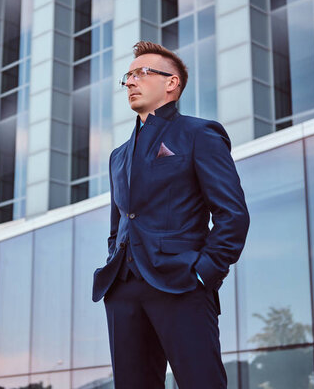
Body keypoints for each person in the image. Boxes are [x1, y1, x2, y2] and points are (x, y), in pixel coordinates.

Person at [92, 41, 250, 388]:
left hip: (182, 283)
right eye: (128, 76)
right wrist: (113, 264)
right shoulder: (118, 156)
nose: (130, 82)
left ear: (171, 83)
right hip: (123, 289)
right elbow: (118, 224)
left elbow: (232, 214)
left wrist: (203, 273)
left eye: (141, 73)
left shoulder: (199, 133)